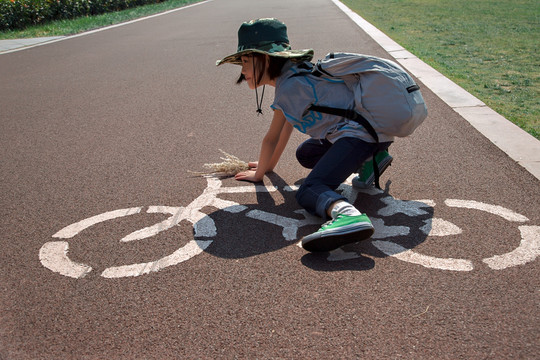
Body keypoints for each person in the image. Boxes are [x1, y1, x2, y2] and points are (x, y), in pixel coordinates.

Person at [217, 18, 393, 252]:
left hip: (358, 135)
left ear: (265, 59)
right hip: (372, 130)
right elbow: (286, 128)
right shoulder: (295, 74)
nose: (243, 71)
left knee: (309, 190)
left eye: (246, 62)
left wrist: (259, 174)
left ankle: (348, 216)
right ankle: (373, 158)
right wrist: (268, 166)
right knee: (306, 154)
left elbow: (271, 137)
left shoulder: (288, 88)